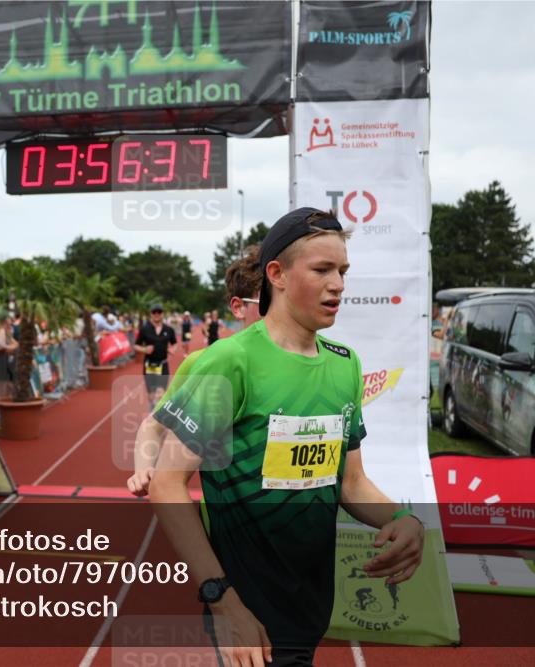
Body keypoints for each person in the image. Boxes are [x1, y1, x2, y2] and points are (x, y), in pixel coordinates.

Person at [145, 208, 424, 666]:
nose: (338, 284)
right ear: (276, 274)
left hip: (311, 605)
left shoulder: (345, 363)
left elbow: (350, 482)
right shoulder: (230, 362)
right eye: (322, 270)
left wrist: (402, 517)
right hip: (247, 611)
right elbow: (167, 483)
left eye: (343, 271)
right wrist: (222, 599)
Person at [128, 246, 262, 497]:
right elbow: (153, 425)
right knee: (157, 400)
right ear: (238, 307)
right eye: (267, 301)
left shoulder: (329, 361)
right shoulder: (206, 362)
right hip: (228, 524)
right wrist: (143, 469)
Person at [133, 303, 177, 409]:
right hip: (149, 366)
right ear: (151, 314)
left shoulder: (169, 329)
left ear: (162, 314)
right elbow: (136, 346)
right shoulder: (144, 329)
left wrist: (172, 349)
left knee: (161, 393)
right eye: (154, 312)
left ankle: (157, 416)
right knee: (151, 395)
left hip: (163, 364)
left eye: (159, 312)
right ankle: (152, 411)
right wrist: (144, 349)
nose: (157, 314)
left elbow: (174, 343)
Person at [0, 315, 18, 400]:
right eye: (9, 321)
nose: (10, 324)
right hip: (0, 370)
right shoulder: (0, 331)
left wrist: (8, 347)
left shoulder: (5, 332)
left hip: (6, 371)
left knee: (5, 395)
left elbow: (16, 344)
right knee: (1, 396)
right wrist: (8, 347)